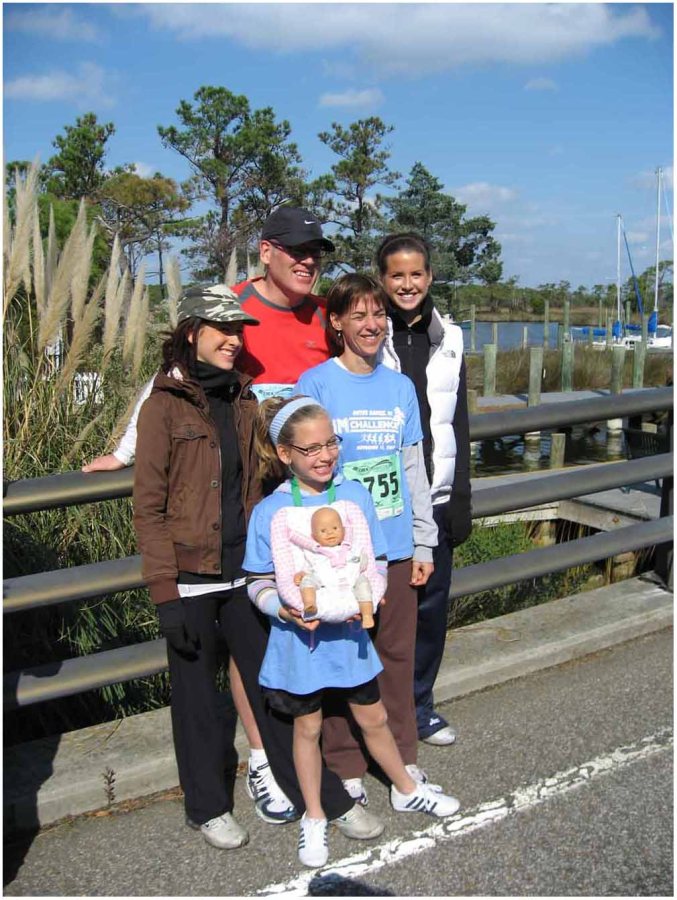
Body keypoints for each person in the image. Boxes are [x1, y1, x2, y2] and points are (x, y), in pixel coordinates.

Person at [132, 283, 381, 849]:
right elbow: (148, 507)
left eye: (239, 331)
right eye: (223, 330)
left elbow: (280, 464)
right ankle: (207, 807)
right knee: (196, 699)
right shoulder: (162, 406)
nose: (234, 340)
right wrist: (164, 593)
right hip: (191, 579)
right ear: (192, 332)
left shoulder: (245, 400)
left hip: (247, 572)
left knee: (276, 688)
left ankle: (321, 798)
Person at [244, 397, 460, 866]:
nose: (325, 456)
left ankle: (406, 788)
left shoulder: (355, 497)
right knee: (308, 728)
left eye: (331, 443)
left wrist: (373, 592)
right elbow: (257, 580)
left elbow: (375, 557)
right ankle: (314, 816)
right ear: (285, 454)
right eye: (311, 449)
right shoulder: (271, 513)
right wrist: (283, 611)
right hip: (300, 644)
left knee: (374, 717)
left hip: (350, 640)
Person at [295, 273, 452, 807]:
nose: (371, 325)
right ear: (336, 322)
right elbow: (306, 473)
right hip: (343, 552)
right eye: (358, 315)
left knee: (397, 656)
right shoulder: (316, 384)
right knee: (346, 657)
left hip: (397, 546)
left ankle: (403, 758)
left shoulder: (400, 387)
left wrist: (424, 543)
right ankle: (346, 763)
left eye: (378, 314)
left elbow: (413, 472)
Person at [82, 206, 334, 472]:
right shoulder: (229, 309)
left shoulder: (331, 316)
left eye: (315, 253)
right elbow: (174, 375)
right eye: (297, 251)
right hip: (249, 473)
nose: (309, 261)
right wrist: (124, 454)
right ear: (265, 252)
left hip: (315, 472)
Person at [376, 233, 472, 746]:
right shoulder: (370, 334)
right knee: (381, 613)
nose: (408, 284)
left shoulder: (451, 338)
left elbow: (460, 423)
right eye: (397, 275)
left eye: (416, 274)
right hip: (384, 501)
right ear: (382, 280)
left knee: (431, 611)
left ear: (430, 277)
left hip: (436, 497)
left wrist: (460, 498)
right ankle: (377, 717)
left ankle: (419, 707)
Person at [272, 502, 382, 626]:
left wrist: (362, 565)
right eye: (323, 531)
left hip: (352, 578)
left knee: (364, 584)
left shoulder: (351, 548)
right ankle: (309, 604)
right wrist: (301, 574)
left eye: (335, 528)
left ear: (344, 530)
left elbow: (365, 564)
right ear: (313, 536)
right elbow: (308, 568)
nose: (330, 533)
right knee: (307, 582)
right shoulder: (313, 552)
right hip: (323, 580)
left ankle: (367, 615)